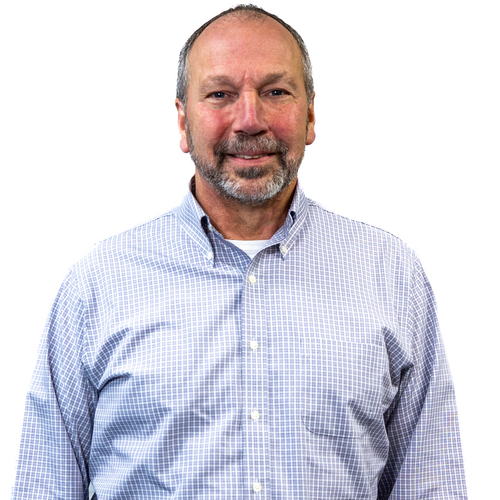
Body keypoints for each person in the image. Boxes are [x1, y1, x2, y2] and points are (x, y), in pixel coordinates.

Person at [12, 5, 467, 499]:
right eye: (220, 94)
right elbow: (45, 485)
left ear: (310, 115)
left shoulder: (390, 274)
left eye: (275, 92)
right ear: (183, 121)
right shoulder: (98, 284)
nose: (250, 120)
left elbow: (431, 484)